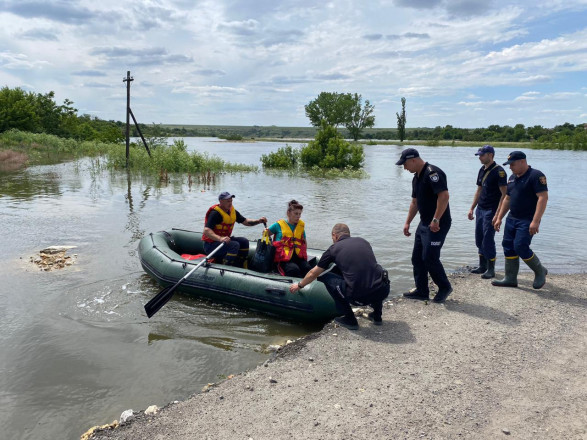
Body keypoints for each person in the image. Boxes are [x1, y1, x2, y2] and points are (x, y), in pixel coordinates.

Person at [289, 223, 390, 330]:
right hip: (383, 291)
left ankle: (350, 319)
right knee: (374, 274)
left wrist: (299, 285)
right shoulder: (363, 241)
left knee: (326, 277)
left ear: (335, 235)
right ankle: (377, 316)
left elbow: (313, 273)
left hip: (359, 297)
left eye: (332, 237)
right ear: (348, 234)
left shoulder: (333, 249)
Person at [396, 148, 453, 303]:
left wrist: (436, 219)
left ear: (413, 159)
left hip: (438, 223)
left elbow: (444, 196)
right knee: (417, 258)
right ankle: (422, 291)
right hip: (424, 223)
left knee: (430, 257)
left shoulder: (433, 173)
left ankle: (444, 287)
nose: (404, 168)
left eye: (405, 164)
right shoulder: (416, 178)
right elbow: (415, 202)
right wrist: (407, 222)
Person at [492, 151, 548, 289]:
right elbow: (508, 199)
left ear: (523, 161)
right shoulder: (512, 178)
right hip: (512, 218)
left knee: (521, 246)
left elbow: (543, 198)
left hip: (528, 219)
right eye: (509, 165)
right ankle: (510, 278)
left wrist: (535, 221)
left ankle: (540, 271)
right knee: (508, 245)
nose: (510, 167)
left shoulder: (536, 176)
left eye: (513, 164)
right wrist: (499, 217)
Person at [467, 145, 507, 279]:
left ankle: (491, 269)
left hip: (491, 210)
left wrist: (498, 214)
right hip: (480, 209)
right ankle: (482, 265)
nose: (479, 158)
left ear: (490, 155)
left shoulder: (499, 171)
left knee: (488, 239)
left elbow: (504, 194)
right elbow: (479, 190)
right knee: (479, 238)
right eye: (479, 155)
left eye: (482, 155)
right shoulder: (481, 170)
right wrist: (472, 208)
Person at [202, 191, 267, 268]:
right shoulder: (215, 213)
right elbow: (206, 230)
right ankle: (226, 267)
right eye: (228, 201)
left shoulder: (232, 211)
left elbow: (245, 221)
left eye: (231, 201)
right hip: (211, 245)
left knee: (244, 241)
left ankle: (242, 265)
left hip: (224, 242)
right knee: (234, 245)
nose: (230, 203)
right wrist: (220, 238)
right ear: (221, 201)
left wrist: (258, 221)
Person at [267, 200, 312, 277]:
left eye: (299, 214)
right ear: (288, 213)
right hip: (283, 259)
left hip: (297, 257)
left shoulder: (300, 227)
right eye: (296, 214)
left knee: (307, 268)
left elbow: (304, 242)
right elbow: (266, 234)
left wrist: (304, 255)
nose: (298, 216)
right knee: (293, 269)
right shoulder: (278, 225)